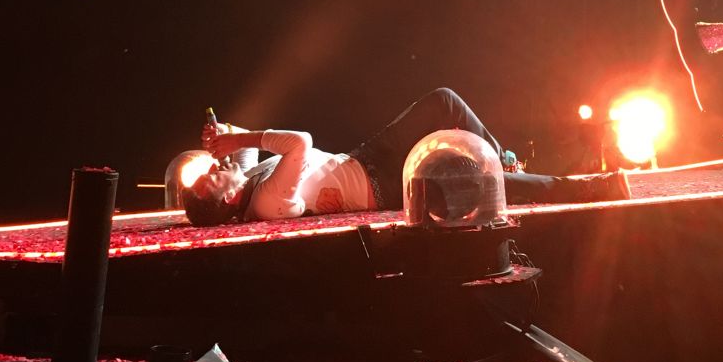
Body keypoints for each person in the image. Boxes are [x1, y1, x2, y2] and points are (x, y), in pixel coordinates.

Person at [183, 87, 630, 226]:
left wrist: (226, 134)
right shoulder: (266, 202)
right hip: (387, 186)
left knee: (444, 102)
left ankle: (498, 157)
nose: (215, 166)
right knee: (483, 185)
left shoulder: (250, 183)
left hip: (368, 159)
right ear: (227, 199)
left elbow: (244, 152)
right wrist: (239, 142)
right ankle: (595, 188)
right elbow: (299, 141)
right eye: (212, 177)